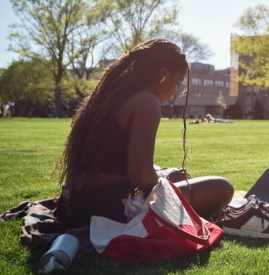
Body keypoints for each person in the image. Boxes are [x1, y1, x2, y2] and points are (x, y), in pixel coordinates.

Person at [54, 39, 234, 225]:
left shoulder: (109, 97)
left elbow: (115, 164)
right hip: (109, 209)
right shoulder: (146, 101)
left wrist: (165, 174)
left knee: (174, 174)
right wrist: (165, 179)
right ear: (163, 74)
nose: (176, 91)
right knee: (221, 187)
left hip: (74, 205)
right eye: (178, 82)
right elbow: (141, 177)